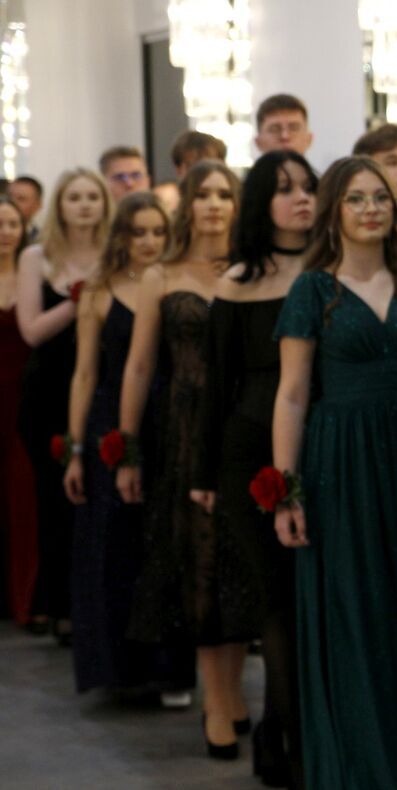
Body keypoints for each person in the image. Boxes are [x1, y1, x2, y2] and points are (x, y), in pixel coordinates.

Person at [271, 156, 397, 788]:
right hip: (338, 464)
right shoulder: (312, 290)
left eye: (380, 197)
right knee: (352, 611)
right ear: (334, 210)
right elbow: (292, 394)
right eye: (356, 198)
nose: (372, 208)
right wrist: (287, 490)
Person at [189, 150, 316, 786]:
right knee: (277, 601)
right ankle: (285, 739)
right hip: (249, 451)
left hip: (325, 445)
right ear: (262, 201)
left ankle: (289, 732)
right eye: (285, 188)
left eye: (308, 186)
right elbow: (217, 386)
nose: (301, 198)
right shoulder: (238, 280)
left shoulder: (333, 266)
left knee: (314, 599)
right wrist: (204, 475)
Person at [116, 161, 241, 756]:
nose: (213, 204)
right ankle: (215, 701)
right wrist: (126, 449)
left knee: (239, 565)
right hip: (184, 434)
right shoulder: (160, 275)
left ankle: (233, 692)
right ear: (186, 205)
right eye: (203, 194)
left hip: (242, 430)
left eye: (224, 194)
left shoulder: (254, 270)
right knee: (199, 565)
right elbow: (140, 366)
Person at [62, 192, 191, 695]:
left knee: (167, 542)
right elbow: (84, 374)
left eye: (158, 231)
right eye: (139, 232)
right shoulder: (99, 291)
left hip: (171, 422)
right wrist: (76, 450)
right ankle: (117, 669)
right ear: (121, 235)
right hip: (110, 424)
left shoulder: (177, 282)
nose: (150, 241)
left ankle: (171, 669)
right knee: (112, 546)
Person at [16, 168, 112, 643]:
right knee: (55, 500)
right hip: (49, 390)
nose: (85, 205)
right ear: (59, 205)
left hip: (103, 383)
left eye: (93, 196)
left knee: (100, 494)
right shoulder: (37, 257)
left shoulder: (116, 254)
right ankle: (61, 606)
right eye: (75, 197)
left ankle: (101, 602)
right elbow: (31, 331)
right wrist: (82, 299)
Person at [0, 197, 38, 625]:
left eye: (12, 223)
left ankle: (24, 596)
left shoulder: (33, 274)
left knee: (22, 495)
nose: (5, 232)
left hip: (25, 398)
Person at [10, 176, 42, 240]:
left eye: (21, 199)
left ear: (37, 206)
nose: (12, 203)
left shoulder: (42, 240)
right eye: (9, 197)